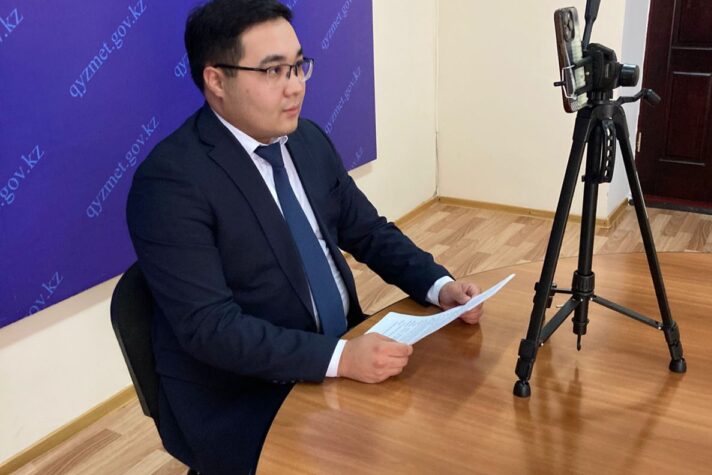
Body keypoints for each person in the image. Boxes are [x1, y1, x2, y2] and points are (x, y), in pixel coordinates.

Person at [126, 0, 483, 473]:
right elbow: (211, 328)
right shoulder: (171, 182)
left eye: (298, 66)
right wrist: (341, 358)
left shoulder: (307, 140)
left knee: (461, 419)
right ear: (216, 80)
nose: (295, 86)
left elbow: (368, 231)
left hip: (340, 348)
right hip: (244, 393)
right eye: (273, 71)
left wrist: (438, 286)